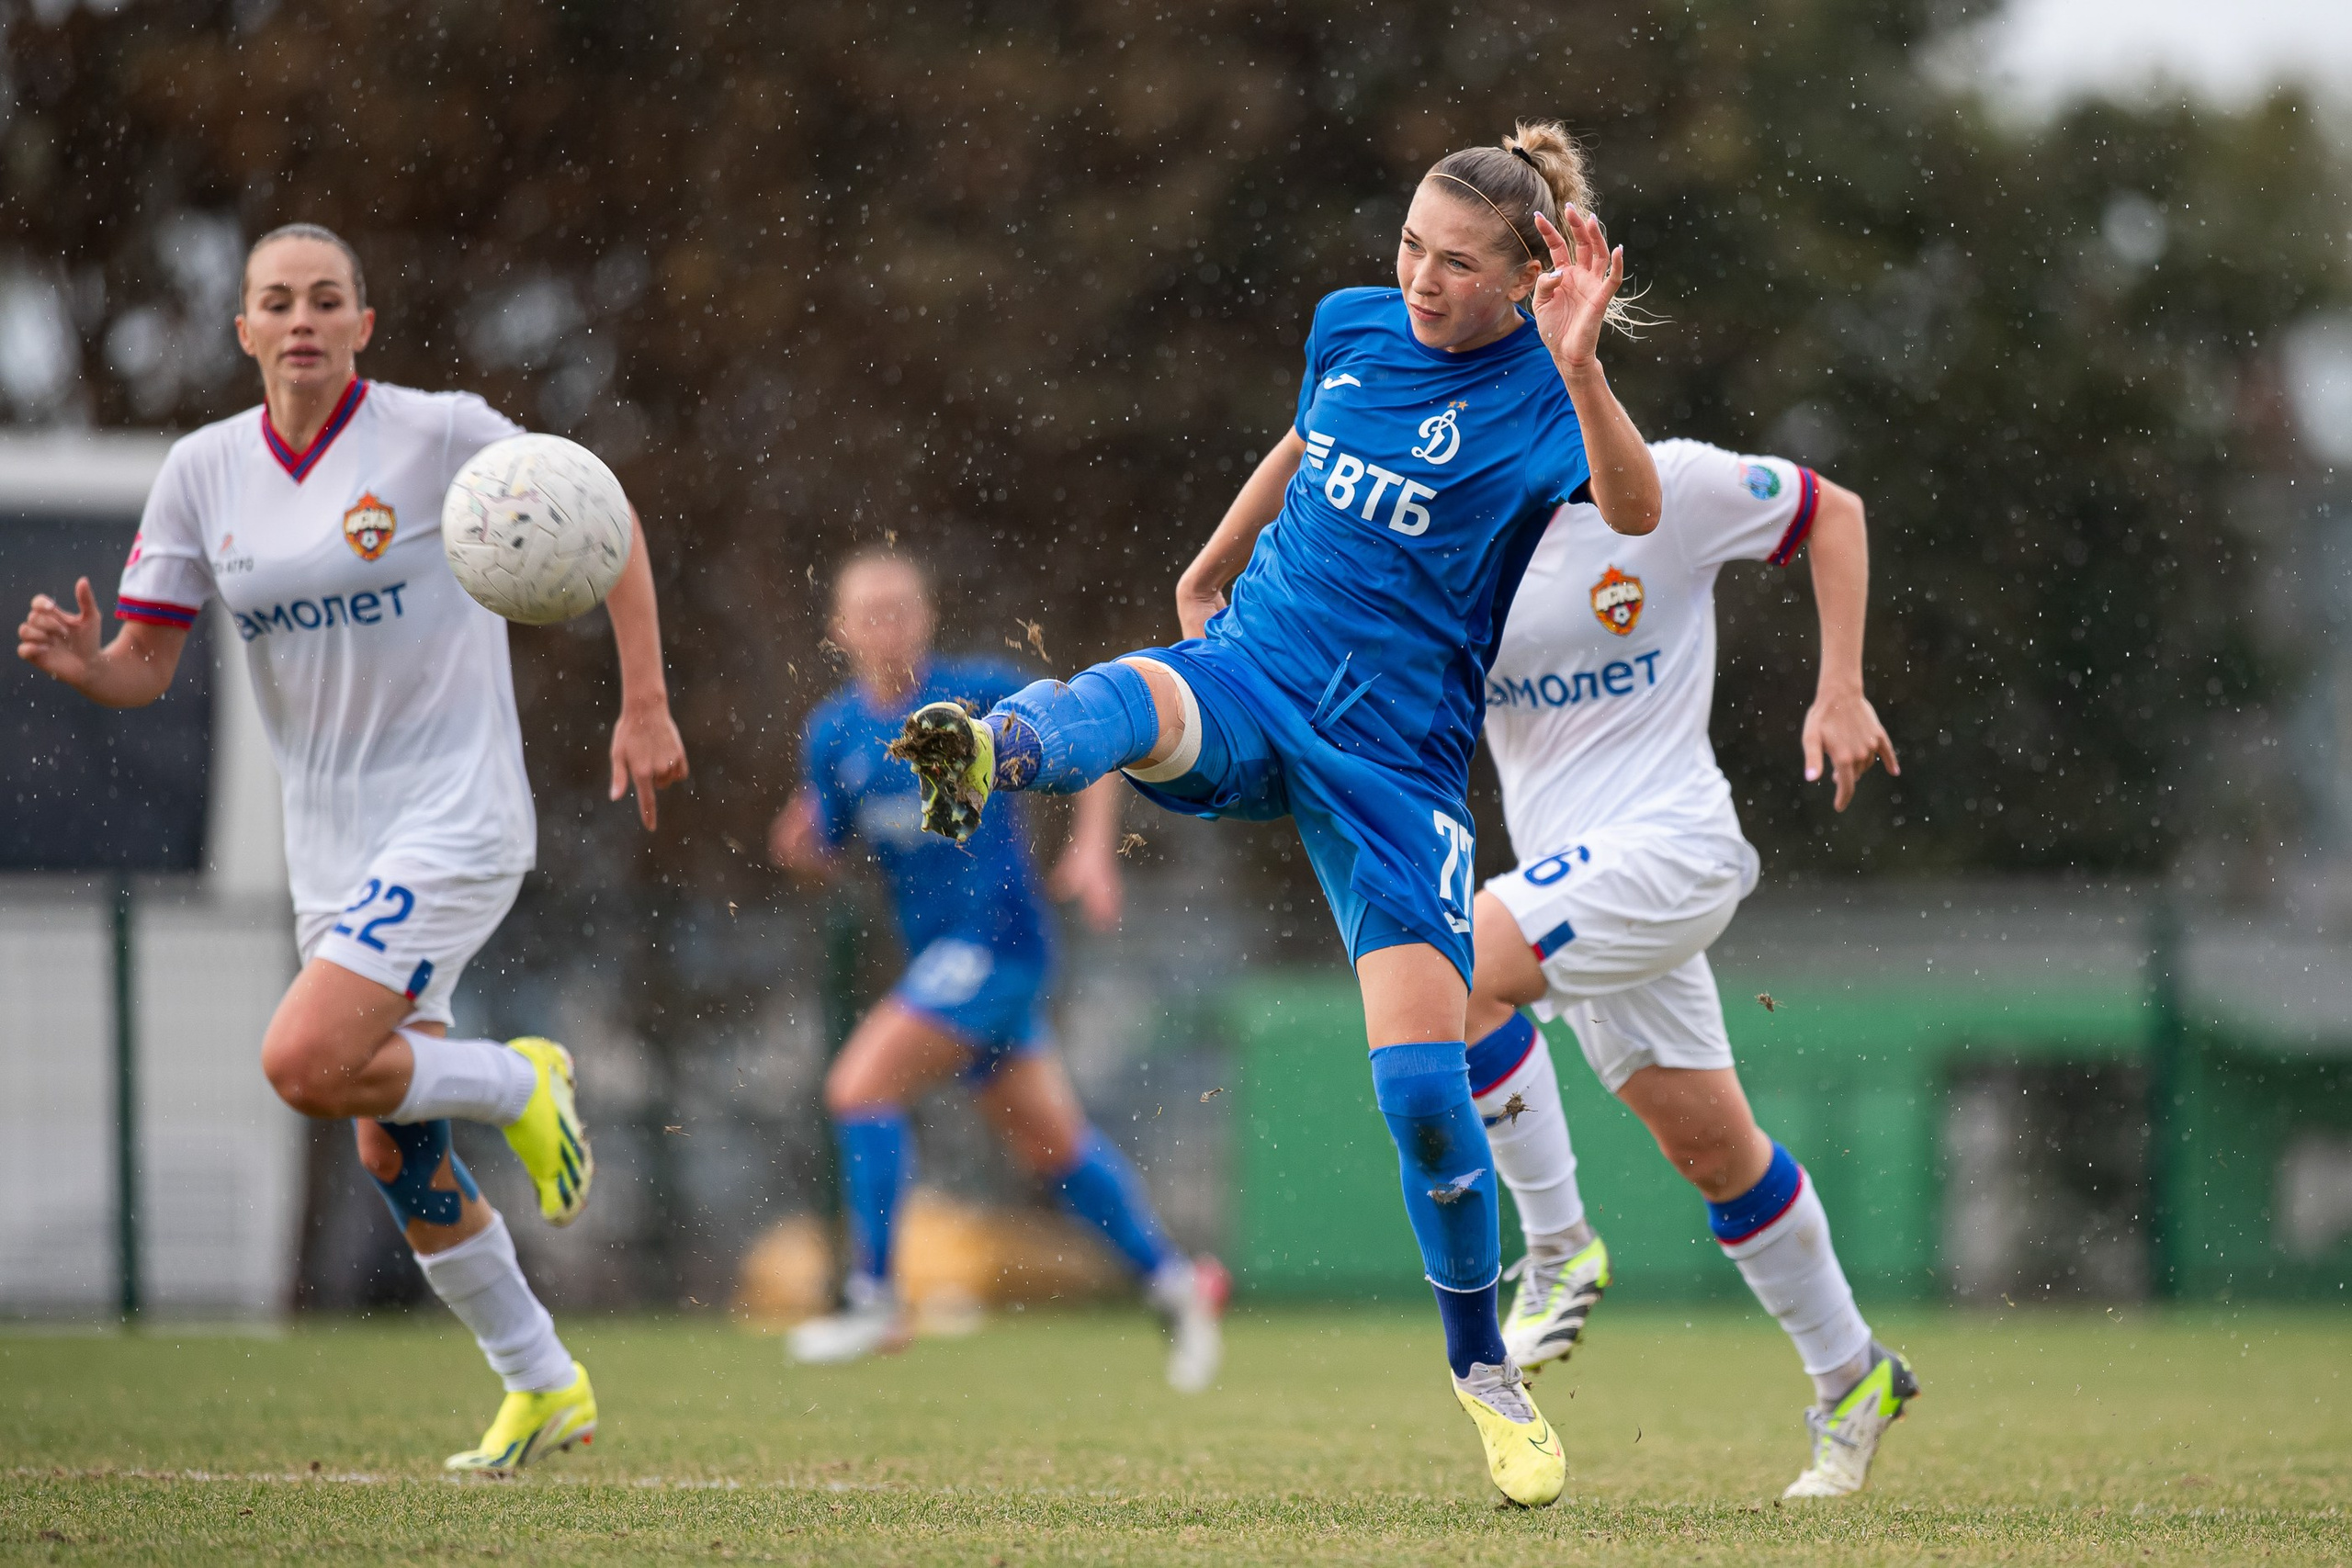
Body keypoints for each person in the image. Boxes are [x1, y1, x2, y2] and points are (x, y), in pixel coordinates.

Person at [888, 122, 1661, 1506]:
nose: (1422, 279)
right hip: (1258, 668)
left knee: (1426, 1094)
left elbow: (1636, 505)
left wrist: (1587, 361)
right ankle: (992, 746)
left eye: (1457, 262)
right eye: (1412, 246)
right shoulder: (1351, 325)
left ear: (1519, 275)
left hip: (1397, 761)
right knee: (1140, 696)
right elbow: (1304, 448)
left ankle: (1483, 1366)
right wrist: (1209, 566)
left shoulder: (1547, 393)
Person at [16, 223, 688, 1472]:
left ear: (364, 325)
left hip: (456, 810)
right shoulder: (204, 473)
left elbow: (607, 519)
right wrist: (85, 666)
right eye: (279, 300)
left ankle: (520, 1081)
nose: (305, 318)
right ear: (247, 330)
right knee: (390, 1138)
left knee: (304, 1058)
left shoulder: (439, 433)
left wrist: (642, 701)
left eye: (329, 298)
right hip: (331, 847)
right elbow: (147, 662)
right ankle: (544, 1382)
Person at [1461, 438, 1916, 1499]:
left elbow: (1832, 511)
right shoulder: (1460, 522)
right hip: (1574, 885)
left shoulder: (1671, 483)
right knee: (1716, 1154)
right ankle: (1853, 1377)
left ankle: (1558, 1247)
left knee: (1459, 961)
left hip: (1674, 848)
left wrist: (1839, 688)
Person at [769, 550, 1227, 1390]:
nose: (887, 624)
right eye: (868, 611)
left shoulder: (972, 690)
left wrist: (1093, 850)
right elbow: (827, 846)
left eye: (901, 606)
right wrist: (801, 848)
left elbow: (1093, 729)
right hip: (939, 959)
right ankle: (1177, 1282)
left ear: (928, 614)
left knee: (859, 1087)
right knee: (1050, 1143)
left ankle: (874, 1297)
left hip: (1000, 946)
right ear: (838, 631)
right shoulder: (832, 734)